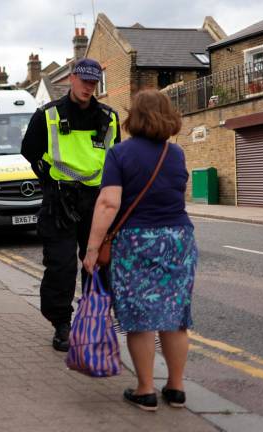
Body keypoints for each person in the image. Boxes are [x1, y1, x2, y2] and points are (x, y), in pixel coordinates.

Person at [83, 89, 197, 411]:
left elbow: (108, 203)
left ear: (134, 116)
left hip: (136, 242)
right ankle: (176, 388)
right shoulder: (175, 154)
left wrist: (92, 248)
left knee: (141, 317)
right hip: (178, 240)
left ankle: (145, 389)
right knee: (175, 317)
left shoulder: (120, 153)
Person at [20, 58, 121, 352]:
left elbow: (115, 160)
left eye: (94, 83)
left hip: (97, 201)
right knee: (60, 267)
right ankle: (62, 324)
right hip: (60, 201)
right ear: (72, 79)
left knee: (98, 265)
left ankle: (92, 323)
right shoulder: (48, 115)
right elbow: (30, 151)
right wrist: (50, 180)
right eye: (84, 81)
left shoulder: (109, 117)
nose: (89, 87)